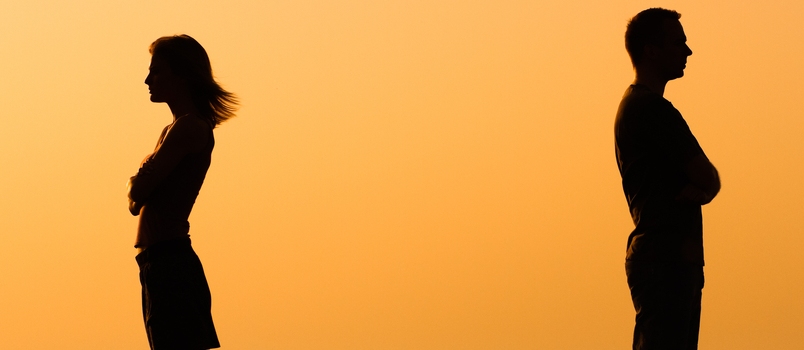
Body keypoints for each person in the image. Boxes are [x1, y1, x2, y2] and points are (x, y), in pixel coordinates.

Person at [614, 8, 720, 350]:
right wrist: (703, 190)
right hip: (666, 261)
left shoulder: (635, 107)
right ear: (651, 50)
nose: (687, 52)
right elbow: (708, 176)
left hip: (665, 258)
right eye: (679, 43)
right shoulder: (653, 111)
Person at [127, 34, 237, 350]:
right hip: (156, 261)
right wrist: (138, 189)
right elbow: (138, 199)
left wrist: (136, 185)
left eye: (157, 71)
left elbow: (140, 188)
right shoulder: (172, 130)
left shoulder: (189, 127)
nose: (148, 79)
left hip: (171, 263)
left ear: (182, 74)